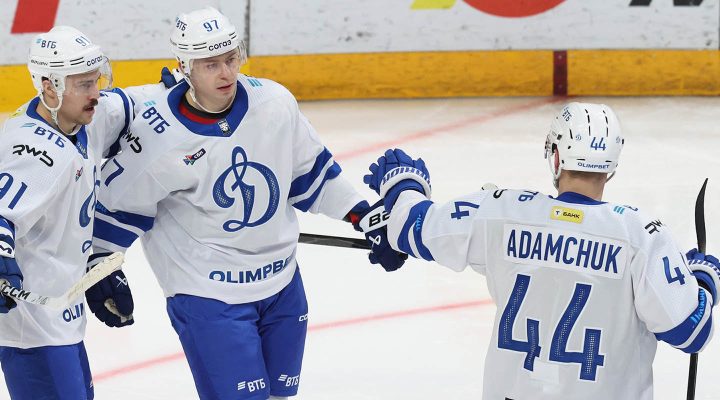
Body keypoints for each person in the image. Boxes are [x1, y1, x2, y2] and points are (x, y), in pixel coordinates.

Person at [90, 6, 405, 400]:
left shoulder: (273, 102)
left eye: (231, 58)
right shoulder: (157, 138)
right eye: (210, 65)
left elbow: (312, 175)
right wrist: (99, 266)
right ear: (184, 66)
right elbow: (116, 208)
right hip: (208, 296)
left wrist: (363, 216)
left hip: (283, 283)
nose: (226, 73)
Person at [363, 102, 720, 399]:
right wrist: (703, 281)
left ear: (556, 156)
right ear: (611, 165)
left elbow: (411, 226)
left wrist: (403, 182)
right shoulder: (641, 235)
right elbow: (691, 331)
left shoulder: (501, 211)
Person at [0, 26, 165, 399]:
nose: (96, 94)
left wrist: (176, 93)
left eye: (96, 80)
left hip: (62, 318)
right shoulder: (32, 151)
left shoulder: (84, 119)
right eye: (84, 85)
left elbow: (132, 104)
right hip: (32, 329)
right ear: (49, 87)